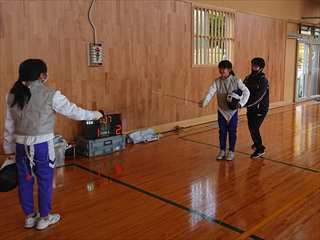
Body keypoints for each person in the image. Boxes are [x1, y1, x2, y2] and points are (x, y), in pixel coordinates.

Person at [3, 59, 103, 230]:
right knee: (44, 182)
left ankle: (29, 217)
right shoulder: (51, 94)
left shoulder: (12, 94)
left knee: (25, 181)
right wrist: (95, 114)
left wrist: (8, 149)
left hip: (20, 147)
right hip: (42, 147)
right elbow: (74, 112)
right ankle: (44, 218)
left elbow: (9, 126)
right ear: (42, 75)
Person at [199, 60, 250, 161]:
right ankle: (222, 150)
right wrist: (204, 102)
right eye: (220, 68)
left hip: (233, 112)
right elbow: (210, 92)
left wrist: (241, 103)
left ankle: (231, 151)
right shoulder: (217, 81)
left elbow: (246, 92)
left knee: (232, 132)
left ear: (229, 70)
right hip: (222, 111)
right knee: (222, 131)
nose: (221, 70)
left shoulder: (236, 80)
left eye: (224, 69)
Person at [243, 57, 269, 158]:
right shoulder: (248, 78)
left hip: (260, 108)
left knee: (254, 127)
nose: (254, 67)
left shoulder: (263, 80)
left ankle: (260, 149)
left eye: (256, 66)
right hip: (250, 108)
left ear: (261, 68)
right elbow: (243, 90)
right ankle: (257, 143)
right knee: (251, 126)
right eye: (253, 65)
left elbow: (259, 97)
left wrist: (245, 104)